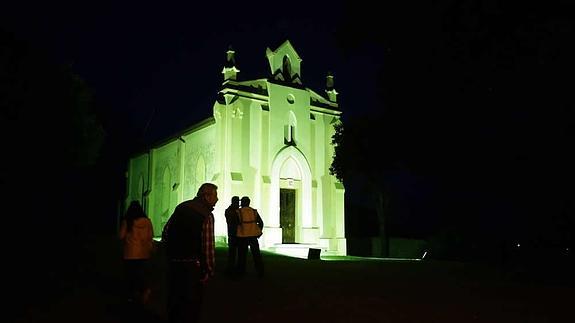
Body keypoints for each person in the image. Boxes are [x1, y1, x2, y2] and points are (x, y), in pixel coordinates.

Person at [162, 183, 218, 323]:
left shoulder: (181, 207)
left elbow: (166, 231)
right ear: (206, 196)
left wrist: (170, 253)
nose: (217, 199)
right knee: (191, 304)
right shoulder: (206, 215)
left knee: (175, 300)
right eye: (215, 196)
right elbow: (208, 246)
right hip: (193, 266)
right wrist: (209, 270)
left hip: (174, 262)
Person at [118, 200, 155, 305]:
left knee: (130, 274)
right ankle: (144, 290)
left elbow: (121, 236)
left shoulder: (128, 221)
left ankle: (131, 295)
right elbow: (150, 236)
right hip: (144, 253)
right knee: (141, 273)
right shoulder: (147, 221)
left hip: (130, 253)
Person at [235, 196, 264, 278]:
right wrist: (258, 232)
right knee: (256, 255)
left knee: (242, 255)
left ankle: (241, 271)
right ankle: (260, 271)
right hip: (253, 236)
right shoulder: (254, 211)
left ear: (242, 203)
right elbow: (261, 222)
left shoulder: (238, 212)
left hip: (242, 236)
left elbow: (236, 224)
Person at [224, 196, 240, 275]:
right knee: (233, 252)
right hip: (234, 234)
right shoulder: (232, 211)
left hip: (234, 234)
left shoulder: (229, 210)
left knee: (233, 252)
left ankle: (233, 268)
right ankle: (231, 268)